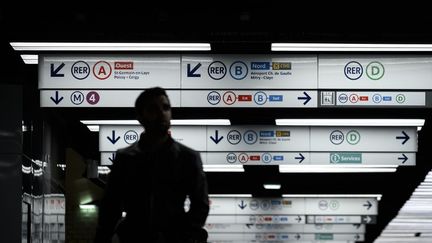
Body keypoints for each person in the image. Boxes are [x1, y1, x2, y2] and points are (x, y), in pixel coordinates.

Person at [94, 87, 210, 243]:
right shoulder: (125, 158)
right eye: (153, 109)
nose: (162, 113)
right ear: (140, 117)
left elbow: (200, 206)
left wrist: (183, 234)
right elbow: (111, 206)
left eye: (166, 108)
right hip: (134, 237)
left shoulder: (188, 158)